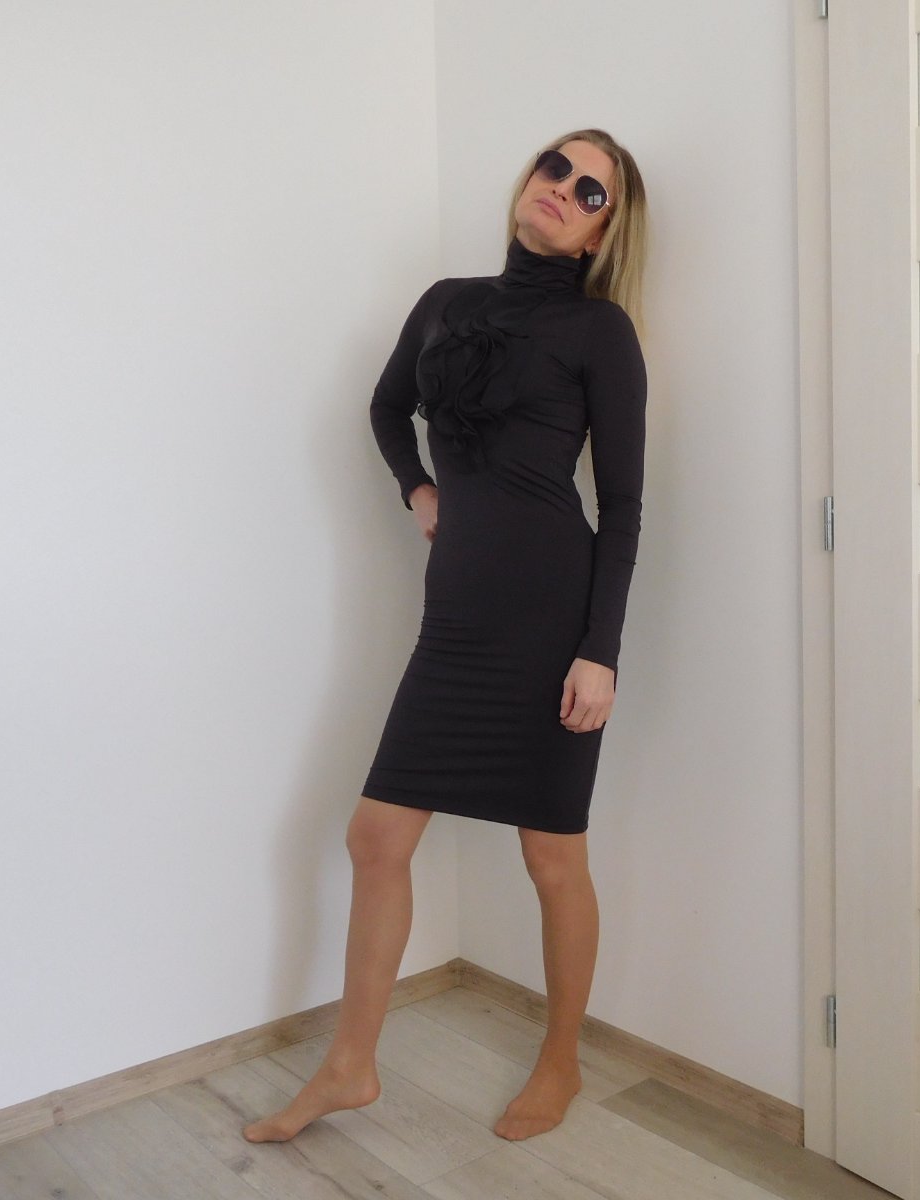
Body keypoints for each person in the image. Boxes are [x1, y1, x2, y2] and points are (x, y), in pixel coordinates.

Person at [243, 128, 648, 1145]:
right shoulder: (444, 302)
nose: (563, 188)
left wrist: (600, 650)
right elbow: (387, 408)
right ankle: (350, 1066)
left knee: (552, 857)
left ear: (603, 234)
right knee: (375, 836)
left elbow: (625, 506)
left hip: (552, 616)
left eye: (590, 191)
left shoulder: (600, 332)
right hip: (457, 618)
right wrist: (416, 488)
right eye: (556, 167)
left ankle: (561, 1060)